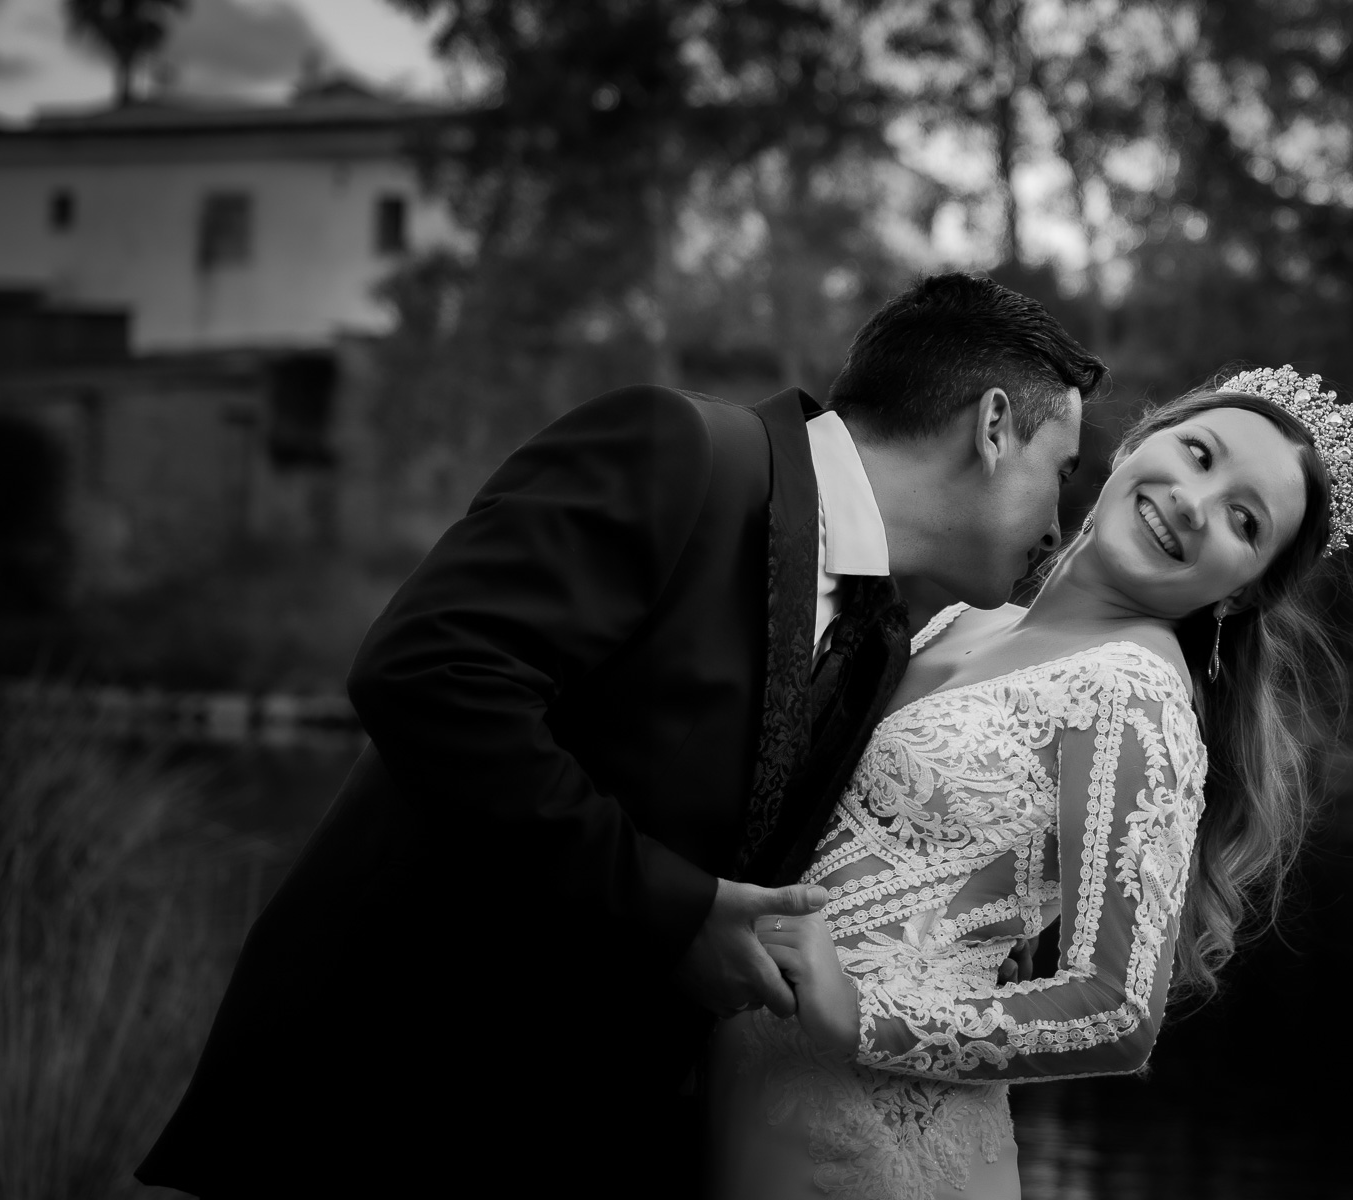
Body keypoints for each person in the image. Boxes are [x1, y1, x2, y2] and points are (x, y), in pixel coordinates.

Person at [134, 273, 1104, 1197]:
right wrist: (672, 909)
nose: (1059, 522)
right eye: (1059, 471)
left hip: (579, 1138)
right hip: (379, 1110)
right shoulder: (675, 451)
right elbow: (430, 676)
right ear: (990, 427)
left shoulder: (879, 635)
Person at [709, 365, 1353, 1200]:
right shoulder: (972, 619)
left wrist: (866, 1019)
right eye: (1198, 454)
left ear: (1242, 594)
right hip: (750, 1078)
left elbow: (1116, 1013)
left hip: (872, 1133)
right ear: (1137, 443)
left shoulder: (1134, 689)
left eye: (1244, 519)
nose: (1195, 504)